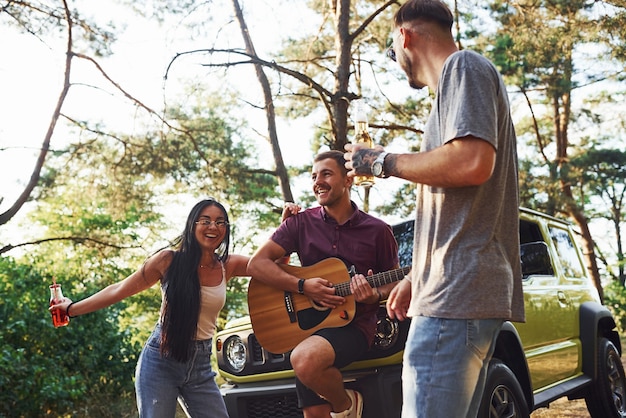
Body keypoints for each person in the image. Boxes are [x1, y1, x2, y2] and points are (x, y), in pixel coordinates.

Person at [344, 1, 525, 417]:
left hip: (455, 295)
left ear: (405, 36)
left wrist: (380, 161)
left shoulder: (463, 67)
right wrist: (416, 277)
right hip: (451, 290)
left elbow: (472, 162)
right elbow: (456, 215)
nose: (397, 61)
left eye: (392, 52)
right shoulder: (452, 91)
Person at [49, 198, 249, 418]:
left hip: (200, 366)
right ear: (192, 225)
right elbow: (119, 289)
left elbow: (271, 265)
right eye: (206, 220)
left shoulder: (227, 265)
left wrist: (287, 225)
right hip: (161, 361)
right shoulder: (168, 260)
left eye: (220, 222)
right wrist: (71, 309)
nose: (213, 227)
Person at [247, 150, 399, 418]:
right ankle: (345, 405)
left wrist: (373, 294)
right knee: (314, 412)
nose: (318, 181)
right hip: (309, 326)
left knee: (304, 359)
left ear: (348, 180)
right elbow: (256, 264)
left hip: (354, 327)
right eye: (314, 176)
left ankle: (345, 406)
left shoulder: (378, 231)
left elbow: (395, 279)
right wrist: (303, 286)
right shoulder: (299, 223)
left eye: (326, 174)